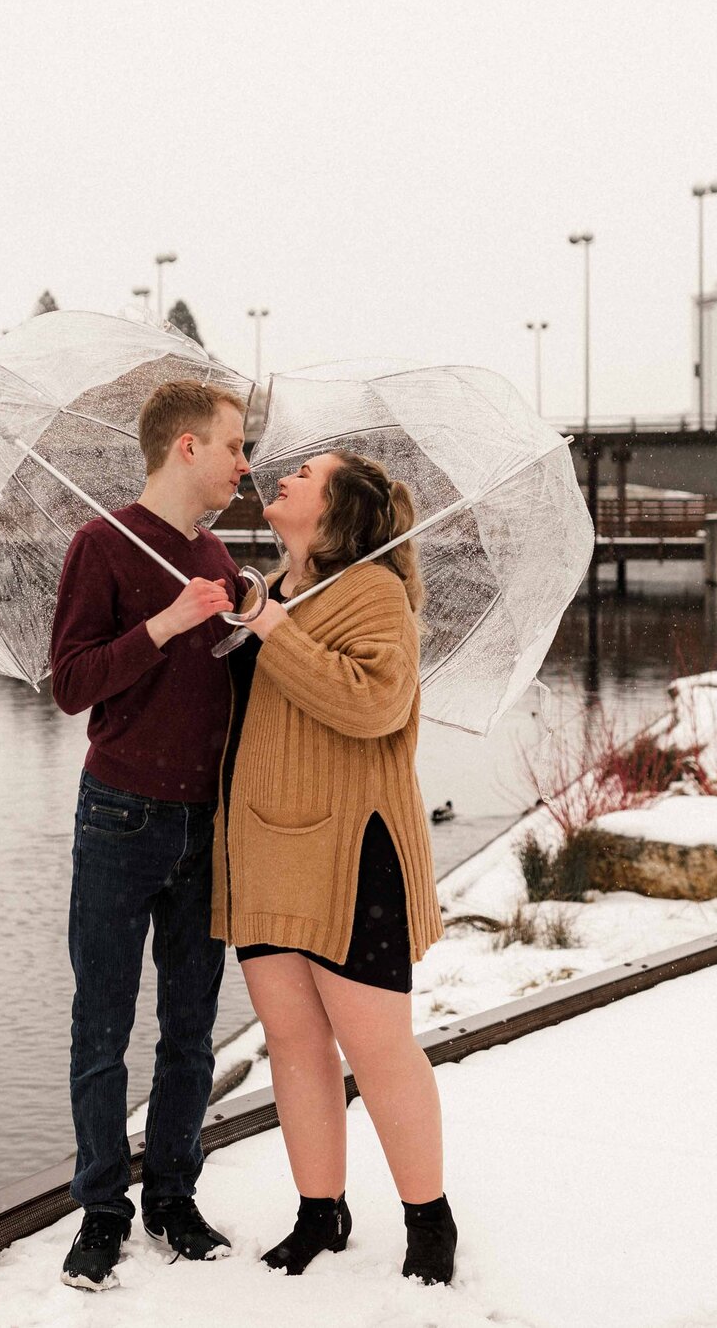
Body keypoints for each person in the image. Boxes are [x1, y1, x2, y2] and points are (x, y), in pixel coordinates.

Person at [217, 449, 456, 1286]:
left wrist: (272, 631)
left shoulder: (373, 592)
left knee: (378, 1045)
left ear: (340, 510)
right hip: (265, 844)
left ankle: (429, 1218)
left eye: (306, 475)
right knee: (292, 1042)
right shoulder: (269, 590)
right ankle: (321, 1208)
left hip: (353, 851)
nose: (281, 477)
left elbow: (372, 702)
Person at [46, 378, 251, 1290]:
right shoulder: (101, 545)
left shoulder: (217, 555)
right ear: (186, 448)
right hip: (120, 813)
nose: (247, 464)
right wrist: (168, 623)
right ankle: (101, 1211)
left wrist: (246, 624)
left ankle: (173, 1194)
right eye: (235, 446)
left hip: (203, 820)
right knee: (102, 1024)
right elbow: (71, 682)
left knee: (192, 1027)